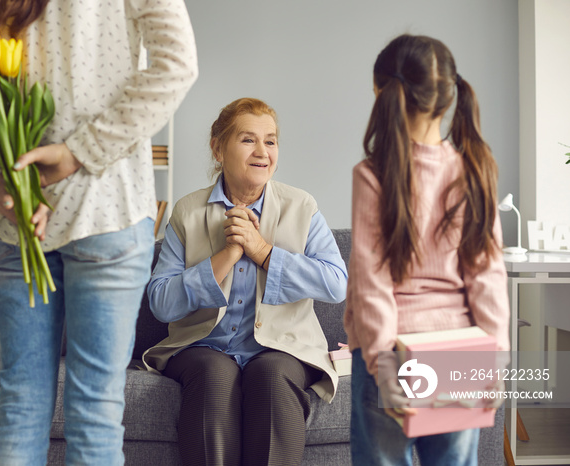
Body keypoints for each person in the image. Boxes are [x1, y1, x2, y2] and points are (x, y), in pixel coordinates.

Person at [0, 0, 198, 463]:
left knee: (21, 407)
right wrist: (80, 151)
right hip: (106, 208)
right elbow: (177, 65)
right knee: (96, 414)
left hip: (15, 215)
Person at [142, 97, 348, 466]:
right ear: (218, 148)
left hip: (282, 349)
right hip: (203, 346)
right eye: (248, 139)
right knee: (213, 373)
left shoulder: (302, 206)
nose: (262, 152)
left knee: (270, 375)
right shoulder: (188, 211)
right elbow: (161, 301)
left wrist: (263, 252)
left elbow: (336, 283)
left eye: (270, 141)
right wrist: (227, 256)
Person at [344, 34, 510, 465]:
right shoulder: (475, 169)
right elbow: (488, 277)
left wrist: (382, 363)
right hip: (461, 350)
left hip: (389, 352)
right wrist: (496, 360)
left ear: (382, 92)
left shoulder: (372, 175)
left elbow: (371, 282)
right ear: (449, 96)